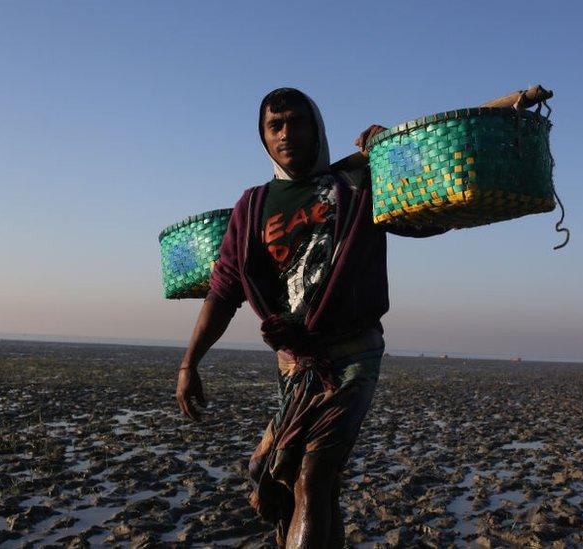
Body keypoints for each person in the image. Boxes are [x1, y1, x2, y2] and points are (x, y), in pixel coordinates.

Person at [175, 87, 443, 548]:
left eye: (297, 122)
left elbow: (428, 216)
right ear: (262, 137)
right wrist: (189, 363)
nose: (286, 134)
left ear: (317, 128)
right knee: (287, 481)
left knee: (312, 477)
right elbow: (223, 291)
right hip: (295, 366)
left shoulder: (358, 185)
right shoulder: (252, 206)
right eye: (275, 126)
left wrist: (393, 153)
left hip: (352, 354)